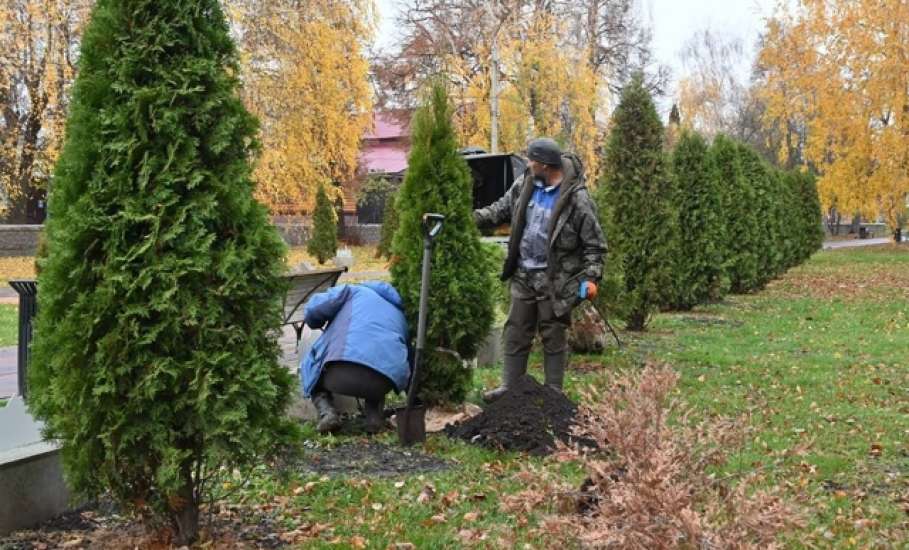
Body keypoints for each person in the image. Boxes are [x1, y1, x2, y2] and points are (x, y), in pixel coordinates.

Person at [474, 137, 606, 401]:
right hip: (524, 273)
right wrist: (471, 219)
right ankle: (510, 389)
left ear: (545, 165)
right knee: (516, 331)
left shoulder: (576, 199)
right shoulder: (526, 183)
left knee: (553, 333)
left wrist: (592, 278)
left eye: (532, 160)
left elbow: (595, 244)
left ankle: (554, 394)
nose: (528, 164)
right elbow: (500, 209)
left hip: (555, 278)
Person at [300, 281, 410, 433]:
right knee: (380, 363)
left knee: (313, 365)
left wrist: (315, 322)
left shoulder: (353, 291)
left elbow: (314, 310)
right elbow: (409, 359)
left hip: (341, 376)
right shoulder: (399, 314)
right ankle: (374, 420)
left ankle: (327, 412)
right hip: (383, 383)